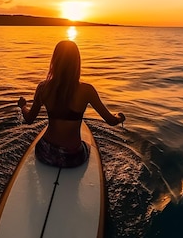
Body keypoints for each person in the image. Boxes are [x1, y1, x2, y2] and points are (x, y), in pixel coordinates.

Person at [17, 40, 125, 168]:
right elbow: (111, 121)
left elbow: (29, 119)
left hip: (45, 151)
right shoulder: (87, 91)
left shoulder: (43, 88)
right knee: (89, 147)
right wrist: (119, 117)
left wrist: (23, 106)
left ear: (54, 62)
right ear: (76, 63)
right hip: (73, 156)